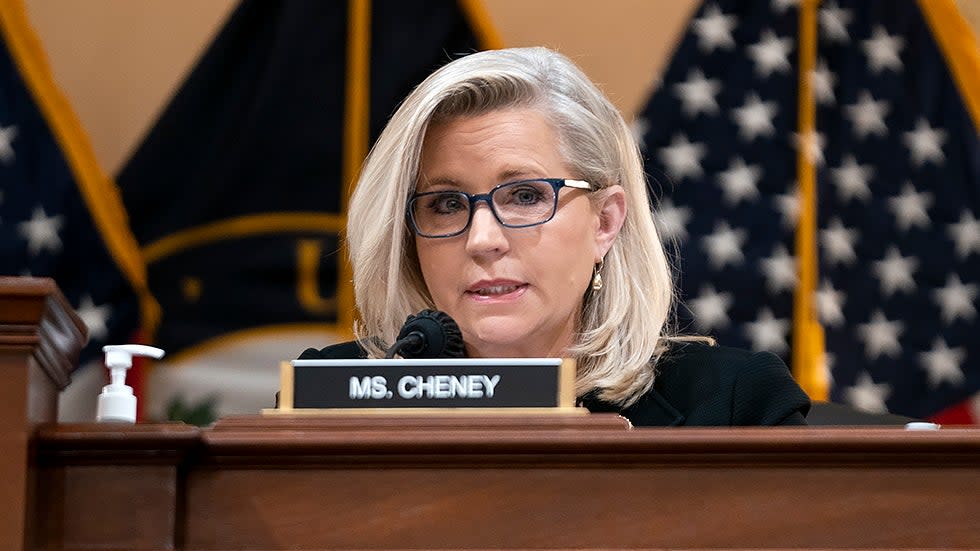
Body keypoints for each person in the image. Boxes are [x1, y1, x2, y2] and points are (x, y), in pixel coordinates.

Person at [300, 47, 810, 426]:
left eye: (524, 196)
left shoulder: (732, 404)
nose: (482, 239)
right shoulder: (331, 394)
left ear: (605, 222)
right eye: (446, 204)